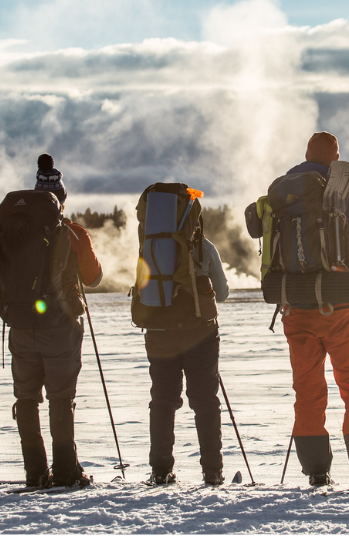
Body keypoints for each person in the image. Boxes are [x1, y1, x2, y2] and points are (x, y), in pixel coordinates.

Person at [276, 132, 349, 486]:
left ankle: (316, 472)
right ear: (335, 158)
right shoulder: (343, 193)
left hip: (294, 305)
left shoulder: (282, 194)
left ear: (306, 155)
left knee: (307, 390)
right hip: (337, 306)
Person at [3, 157, 103, 488]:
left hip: (20, 325)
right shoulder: (73, 233)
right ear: (62, 198)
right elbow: (93, 277)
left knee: (26, 397)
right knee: (60, 398)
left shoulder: (14, 229)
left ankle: (34, 471)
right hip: (60, 327)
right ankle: (65, 469)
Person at [140, 188, 232, 486]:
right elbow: (223, 293)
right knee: (205, 401)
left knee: (163, 400)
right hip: (200, 334)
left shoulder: (149, 246)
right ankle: (212, 471)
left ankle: (160, 470)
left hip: (159, 334)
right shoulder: (204, 247)